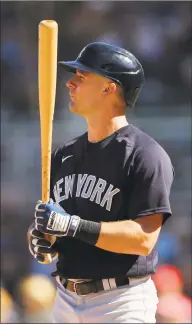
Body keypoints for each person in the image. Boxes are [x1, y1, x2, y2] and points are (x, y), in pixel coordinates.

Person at [28, 42, 174, 323]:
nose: (70, 83)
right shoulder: (63, 154)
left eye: (81, 77)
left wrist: (72, 226)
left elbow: (144, 238)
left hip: (120, 301)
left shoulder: (145, 154)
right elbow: (52, 226)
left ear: (109, 88)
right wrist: (40, 240)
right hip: (65, 299)